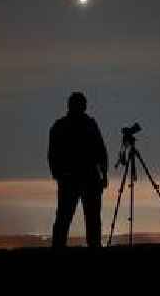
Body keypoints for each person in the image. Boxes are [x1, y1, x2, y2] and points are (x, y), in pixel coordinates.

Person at [48, 91, 108, 248]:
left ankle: (60, 247)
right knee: (75, 218)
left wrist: (103, 174)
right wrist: (103, 174)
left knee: (74, 218)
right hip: (79, 179)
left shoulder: (61, 126)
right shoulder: (84, 125)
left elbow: (101, 151)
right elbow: (101, 151)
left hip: (82, 179)